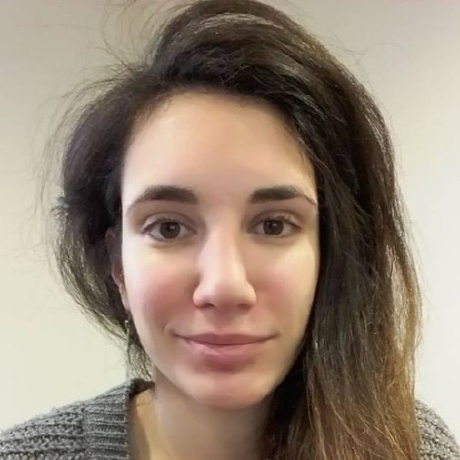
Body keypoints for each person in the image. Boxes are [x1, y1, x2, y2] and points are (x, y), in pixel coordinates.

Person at [1, 0, 459, 459]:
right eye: (168, 228)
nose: (224, 286)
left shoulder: (412, 448)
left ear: (329, 254)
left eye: (274, 225)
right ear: (116, 265)